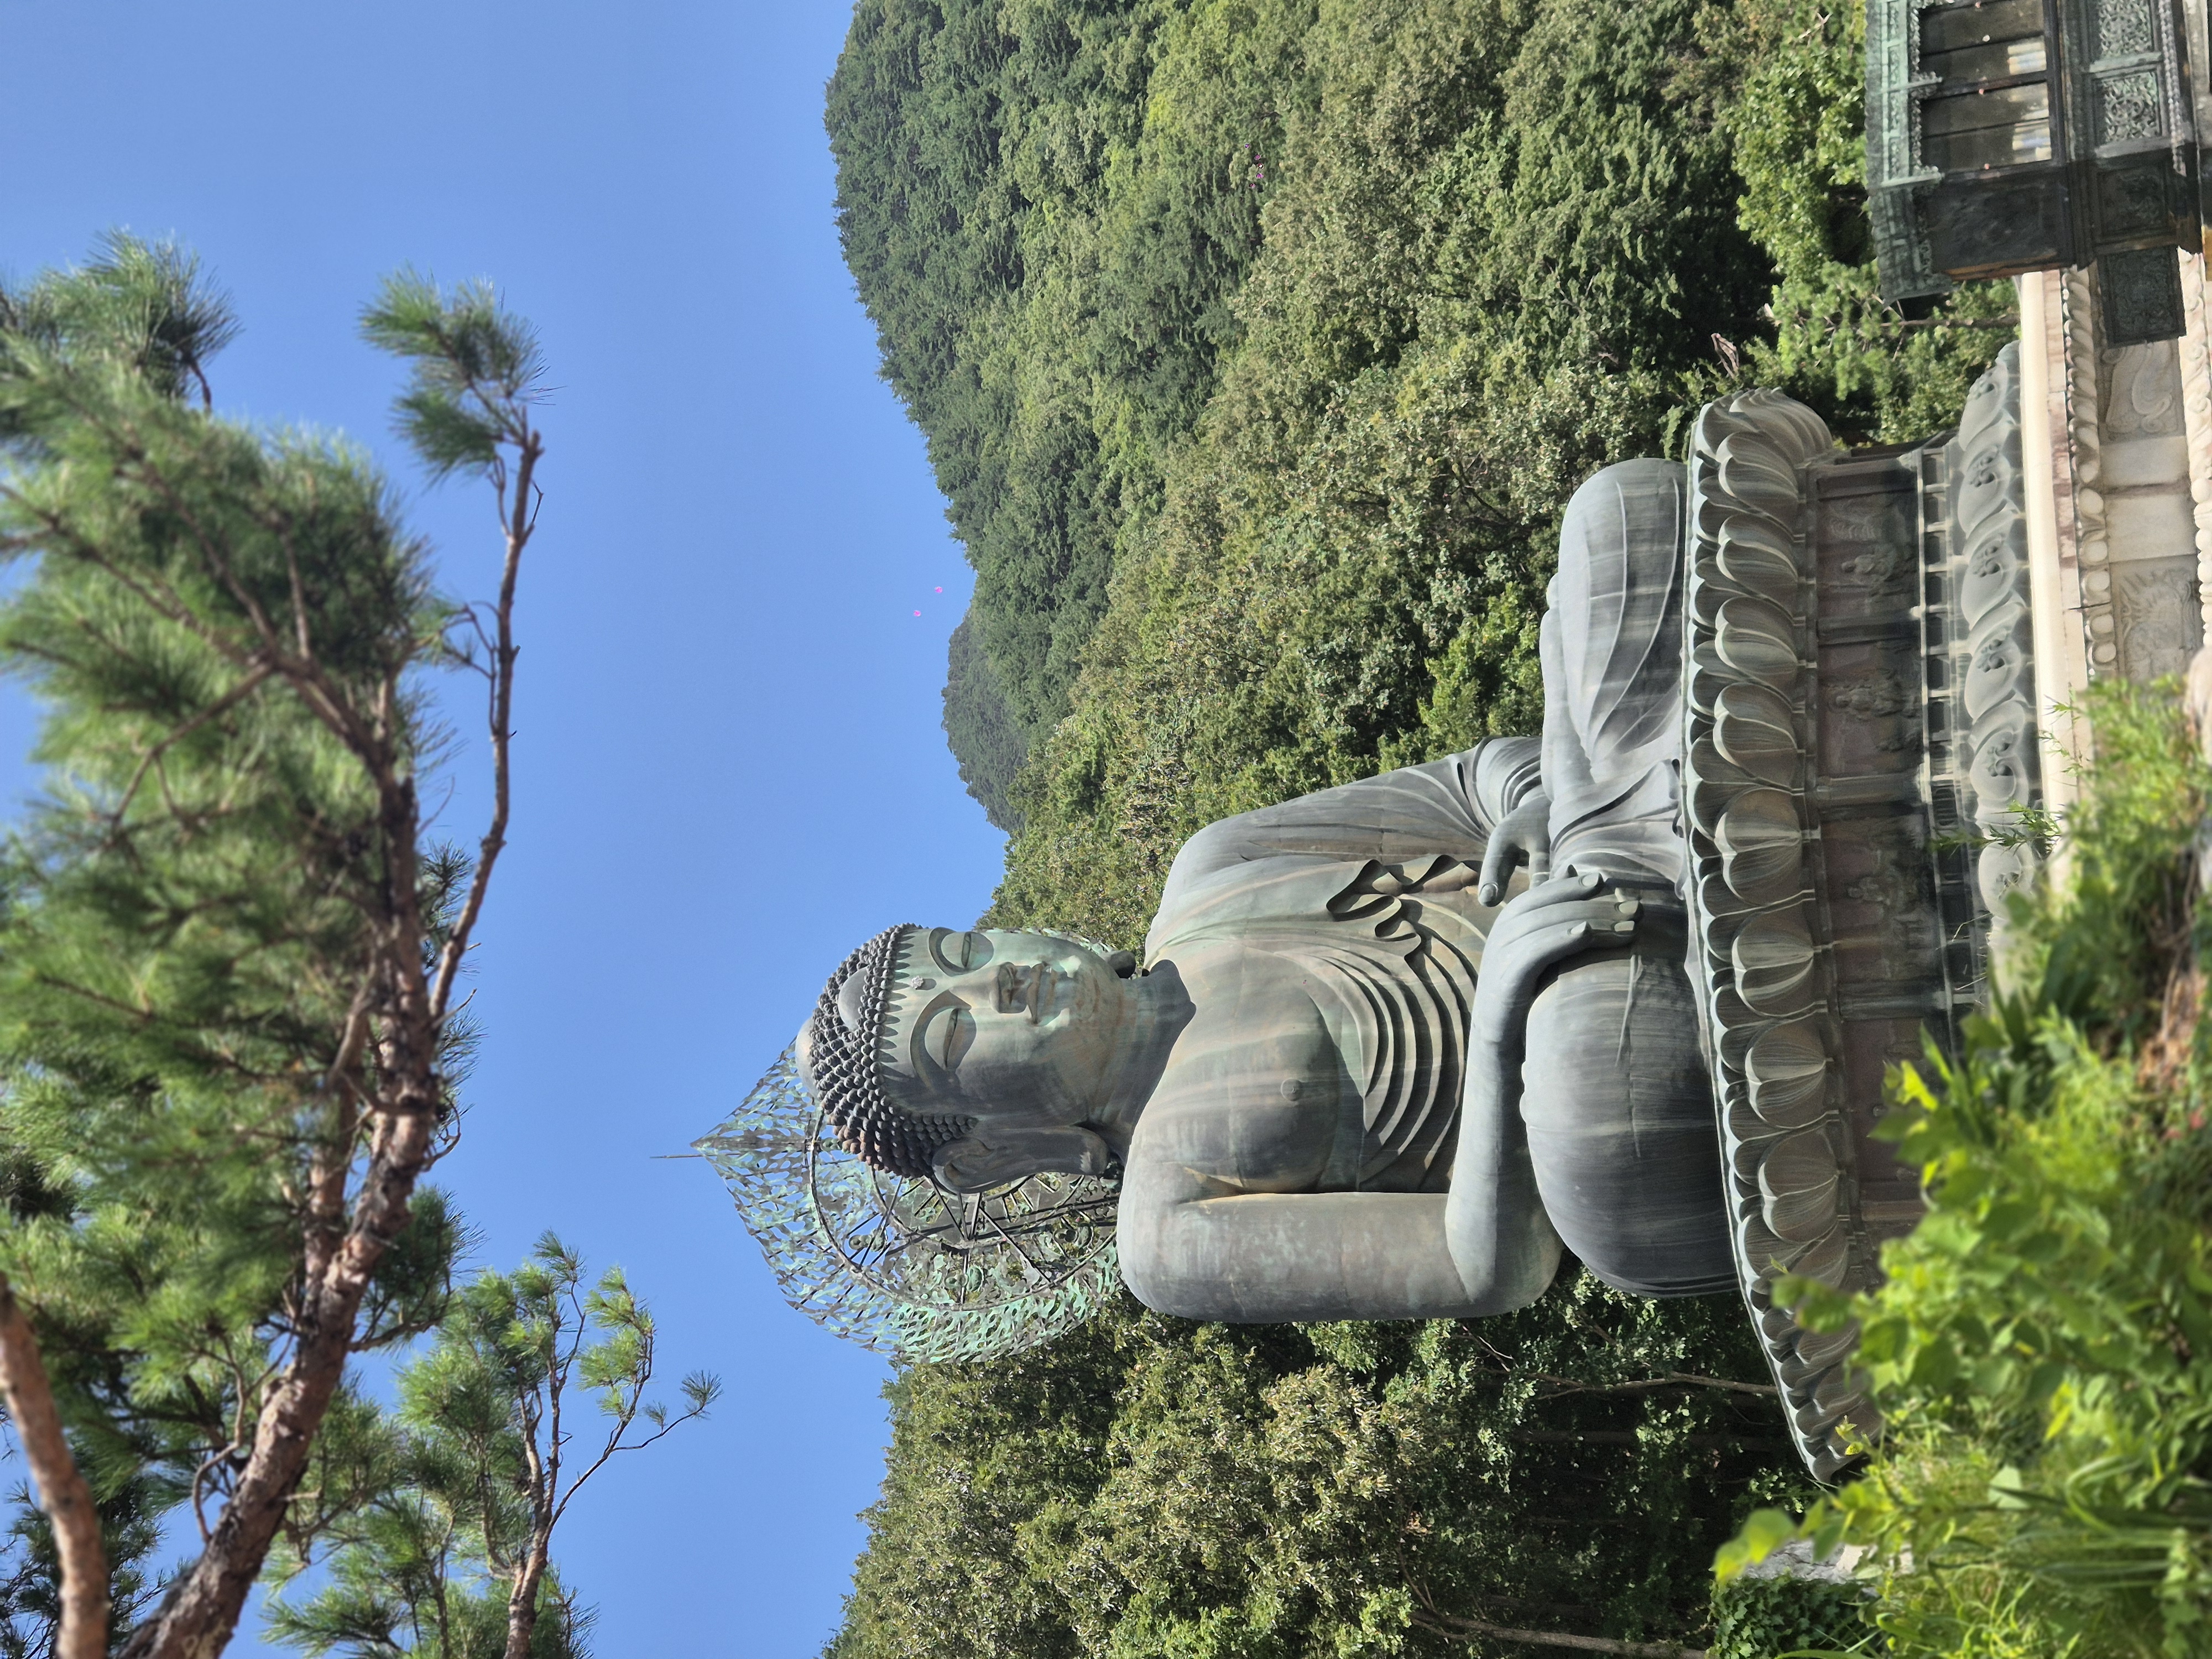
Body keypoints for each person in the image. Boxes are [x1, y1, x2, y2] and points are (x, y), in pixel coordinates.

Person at [791, 460, 1733, 1324]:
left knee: (1613, 521)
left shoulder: (1211, 873)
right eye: (951, 1033)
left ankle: (1668, 824)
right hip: (1581, 1070)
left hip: (1586, 854)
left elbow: (1468, 783)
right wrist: (1502, 1023)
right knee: (1591, 1115)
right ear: (992, 1150)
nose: (996, 982)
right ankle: (1688, 824)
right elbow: (1487, 1265)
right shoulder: (1163, 1227)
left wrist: (1530, 800)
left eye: (967, 953)